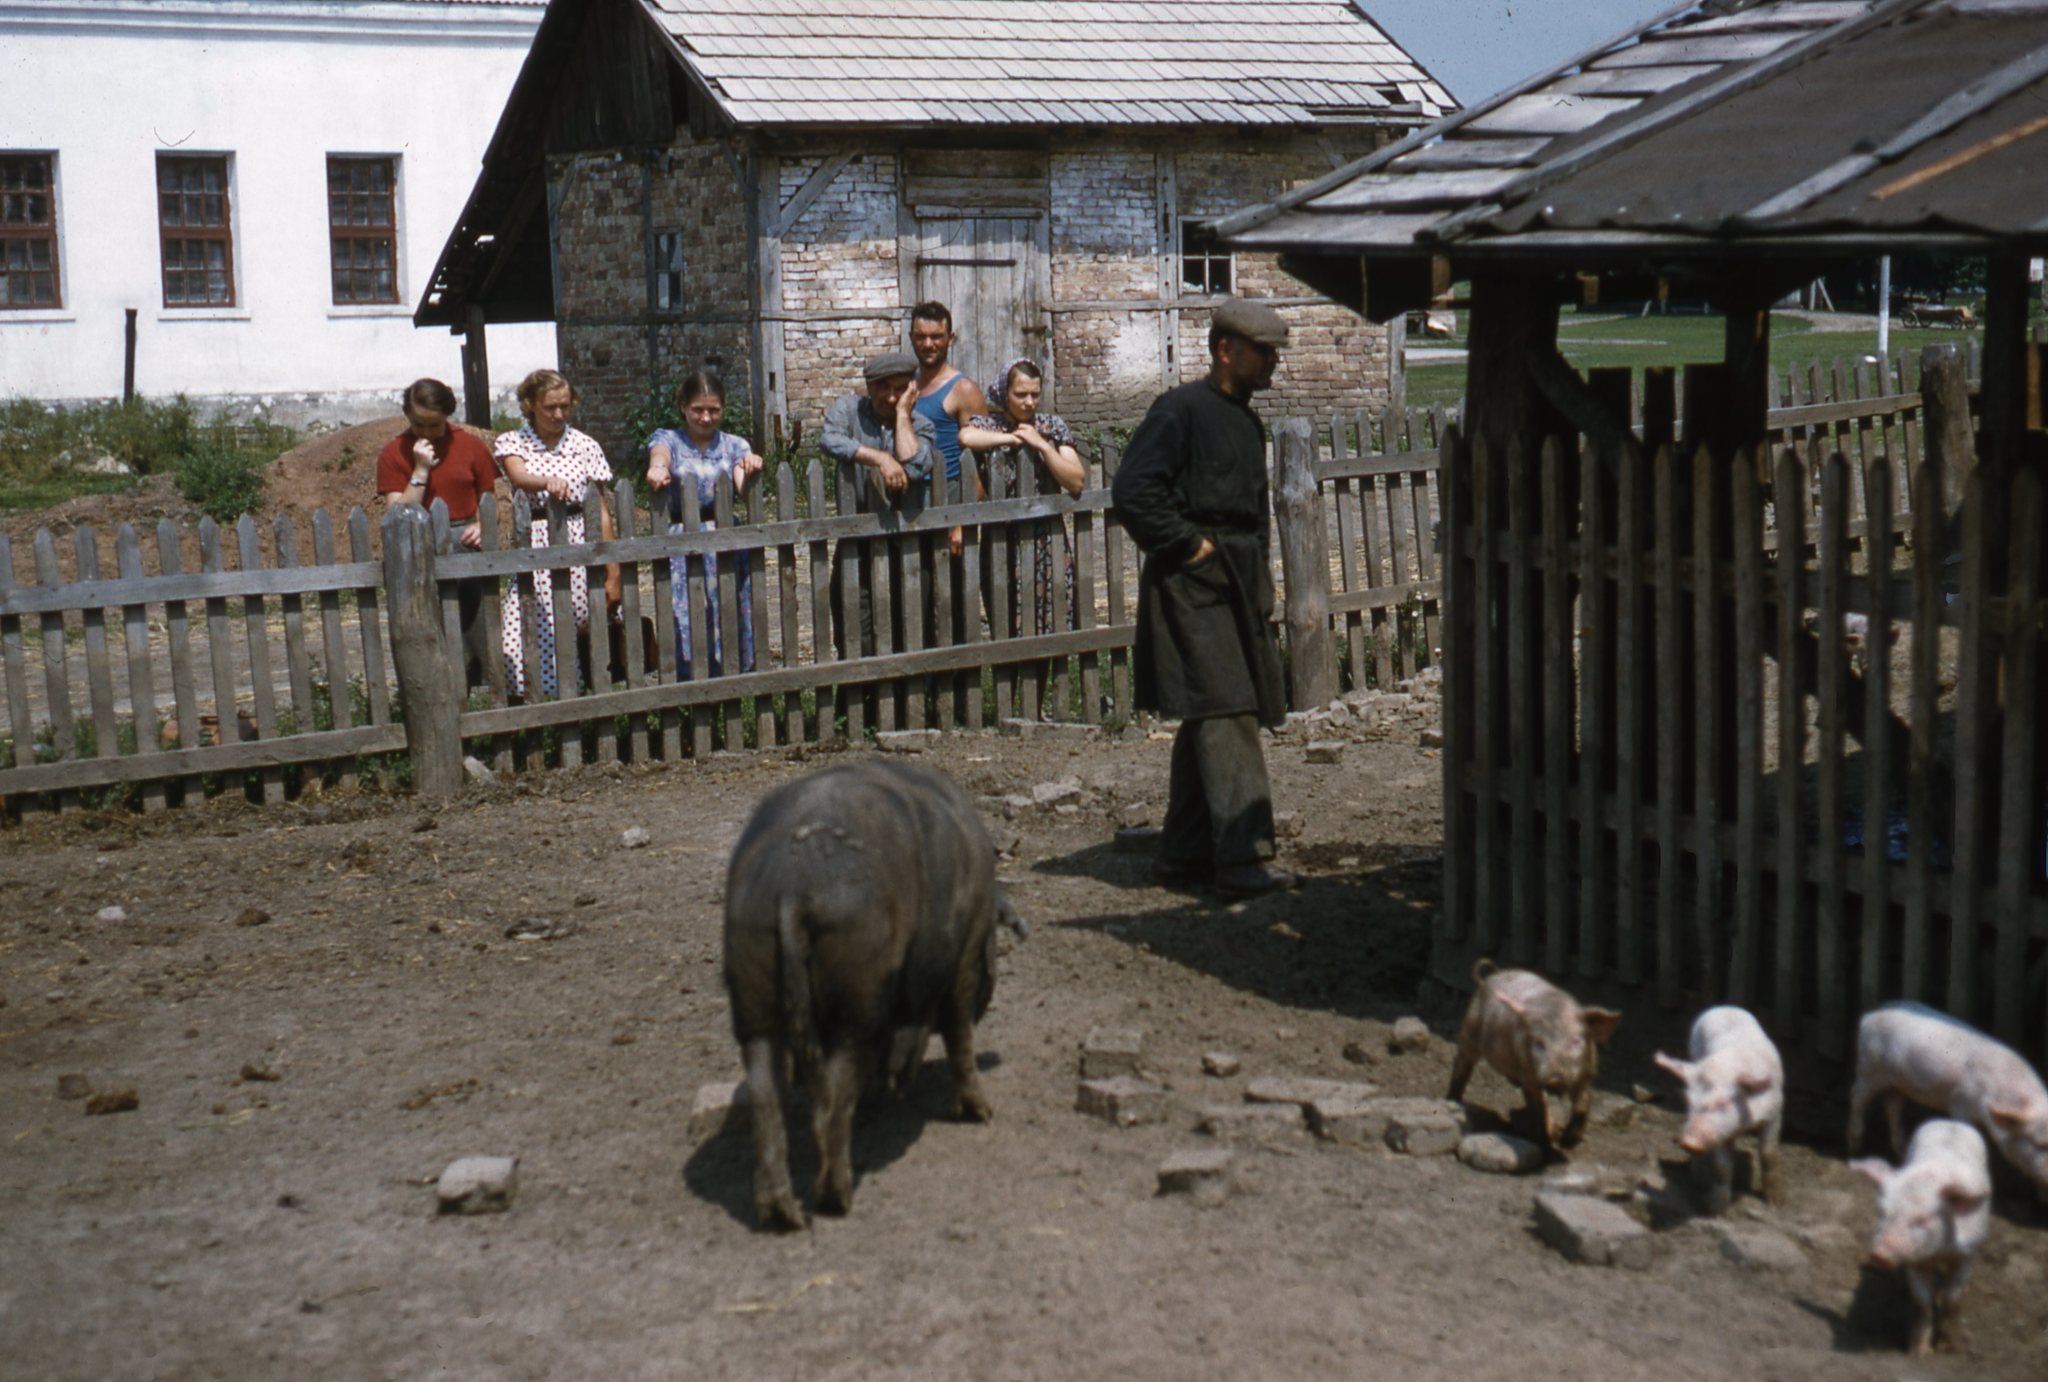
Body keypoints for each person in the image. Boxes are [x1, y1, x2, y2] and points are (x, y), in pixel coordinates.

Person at [1110, 299, 1301, 900]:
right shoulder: (1180, 411)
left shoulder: (1244, 420)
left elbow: (1251, 516)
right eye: (1264, 351)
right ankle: (1243, 856)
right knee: (1227, 708)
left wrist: (1257, 582)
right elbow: (1134, 491)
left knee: (1209, 713)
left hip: (1236, 581)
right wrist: (1188, 546)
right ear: (1226, 350)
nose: (1273, 362)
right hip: (1191, 586)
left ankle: (1184, 853)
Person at [961, 358, 1086, 709]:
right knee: (1004, 618)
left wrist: (1042, 446)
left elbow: (1075, 480)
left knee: (1046, 621)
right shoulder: (990, 424)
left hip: (1047, 540)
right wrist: (1011, 438)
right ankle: (1008, 703)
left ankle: (1036, 703)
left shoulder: (1051, 426)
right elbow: (965, 435)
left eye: (1034, 394)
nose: (1029, 403)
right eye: (1021, 395)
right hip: (1002, 542)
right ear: (1005, 392)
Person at [494, 368, 621, 700]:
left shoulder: (584, 445)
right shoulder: (514, 442)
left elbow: (601, 509)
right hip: (536, 540)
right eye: (550, 407)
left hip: (582, 539)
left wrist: (613, 571)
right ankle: (537, 703)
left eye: (565, 406)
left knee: (581, 625)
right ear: (531, 405)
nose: (559, 414)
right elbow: (518, 476)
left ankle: (583, 703)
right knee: (527, 623)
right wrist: (546, 482)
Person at [819, 350, 937, 698]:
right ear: (868, 387)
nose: (889, 396)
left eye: (900, 389)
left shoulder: (921, 425)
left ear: (912, 390)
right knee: (855, 625)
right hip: (857, 543)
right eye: (882, 388)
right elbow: (829, 439)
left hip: (909, 543)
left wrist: (903, 415)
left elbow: (915, 465)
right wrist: (880, 457)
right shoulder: (849, 410)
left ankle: (908, 706)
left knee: (910, 624)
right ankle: (860, 708)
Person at [374, 378, 500, 686]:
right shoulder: (393, 453)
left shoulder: (471, 446)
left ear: (447, 414)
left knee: (479, 629)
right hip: (417, 550)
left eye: (435, 424)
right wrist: (420, 469)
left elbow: (490, 499)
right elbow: (399, 515)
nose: (427, 432)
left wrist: (483, 525)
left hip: (466, 548)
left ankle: (486, 697)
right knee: (429, 632)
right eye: (419, 424)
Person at [644, 370, 764, 678]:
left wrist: (750, 468)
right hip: (682, 543)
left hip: (724, 541)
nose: (706, 417)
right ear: (683, 406)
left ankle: (734, 683)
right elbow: (659, 455)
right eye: (698, 409)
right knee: (686, 614)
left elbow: (742, 488)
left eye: (713, 410)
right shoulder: (668, 439)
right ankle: (688, 683)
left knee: (728, 610)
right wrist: (658, 467)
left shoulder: (734, 445)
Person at [908, 301, 984, 556]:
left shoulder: (963, 389)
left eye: (936, 337)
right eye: (921, 337)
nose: (928, 344)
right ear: (911, 338)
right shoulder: (907, 386)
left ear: (950, 338)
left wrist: (962, 522)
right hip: (911, 500)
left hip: (950, 495)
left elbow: (981, 462)